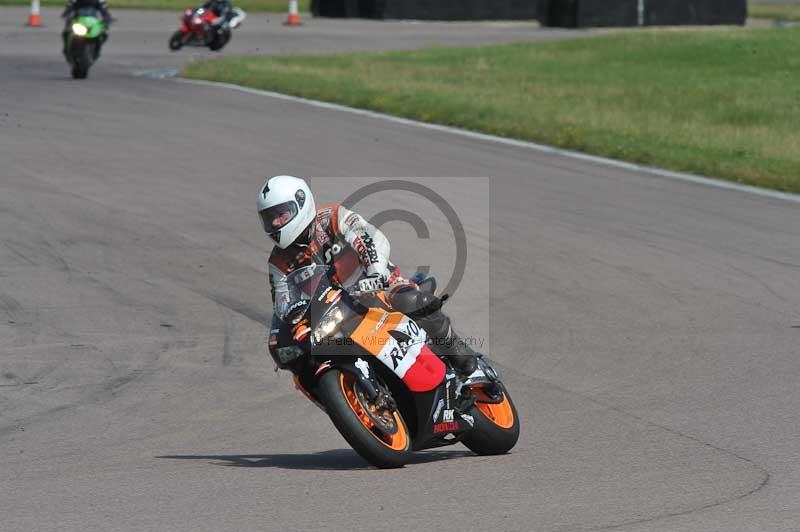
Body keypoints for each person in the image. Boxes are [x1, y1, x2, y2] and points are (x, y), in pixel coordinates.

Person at [259, 175, 480, 376]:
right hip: (333, 315)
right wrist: (292, 330)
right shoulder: (278, 262)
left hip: (378, 288)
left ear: (300, 203)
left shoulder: (332, 218)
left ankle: (461, 354)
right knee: (306, 364)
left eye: (281, 214)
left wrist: (374, 273)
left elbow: (370, 239)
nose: (276, 223)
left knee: (412, 300)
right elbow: (283, 303)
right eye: (270, 217)